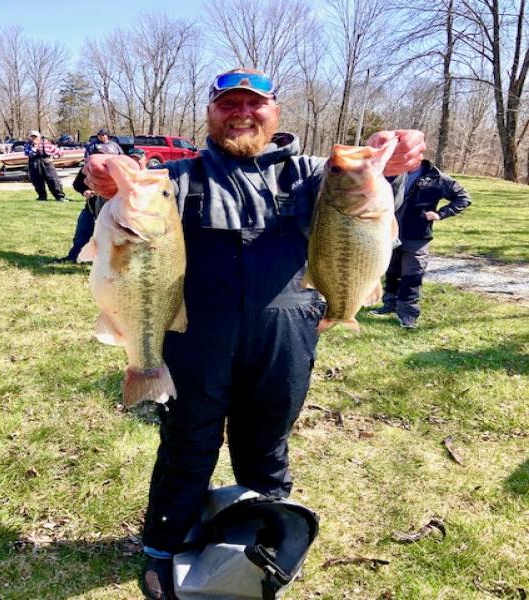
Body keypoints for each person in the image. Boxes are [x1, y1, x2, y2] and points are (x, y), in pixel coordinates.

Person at [132, 69, 424, 600]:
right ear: (210, 113)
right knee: (188, 442)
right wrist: (104, 181)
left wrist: (395, 156)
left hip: (286, 334)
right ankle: (164, 546)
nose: (241, 113)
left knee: (266, 444)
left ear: (275, 113)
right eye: (228, 104)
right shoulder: (178, 177)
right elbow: (125, 212)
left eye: (255, 104)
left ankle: (264, 545)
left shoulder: (312, 175)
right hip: (197, 336)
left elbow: (368, 199)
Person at [368, 135, 471, 329]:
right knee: (391, 271)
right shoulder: (389, 173)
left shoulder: (436, 178)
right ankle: (389, 304)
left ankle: (408, 314)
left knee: (412, 274)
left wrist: (441, 214)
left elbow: (463, 198)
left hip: (417, 234)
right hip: (388, 232)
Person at [55, 144, 146, 264]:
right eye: (98, 154)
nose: (100, 158)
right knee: (83, 232)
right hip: (92, 206)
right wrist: (85, 191)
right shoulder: (90, 168)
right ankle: (74, 256)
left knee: (115, 238)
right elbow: (77, 184)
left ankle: (113, 262)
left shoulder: (124, 170)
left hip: (116, 211)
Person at [23, 130, 67, 201]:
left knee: (53, 180)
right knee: (37, 181)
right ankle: (42, 197)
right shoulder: (27, 145)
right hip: (34, 164)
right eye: (32, 137)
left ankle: (60, 196)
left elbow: (60, 152)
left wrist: (54, 157)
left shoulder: (46, 144)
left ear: (39, 137)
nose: (34, 138)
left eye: (35, 137)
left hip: (47, 163)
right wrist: (34, 148)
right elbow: (27, 153)